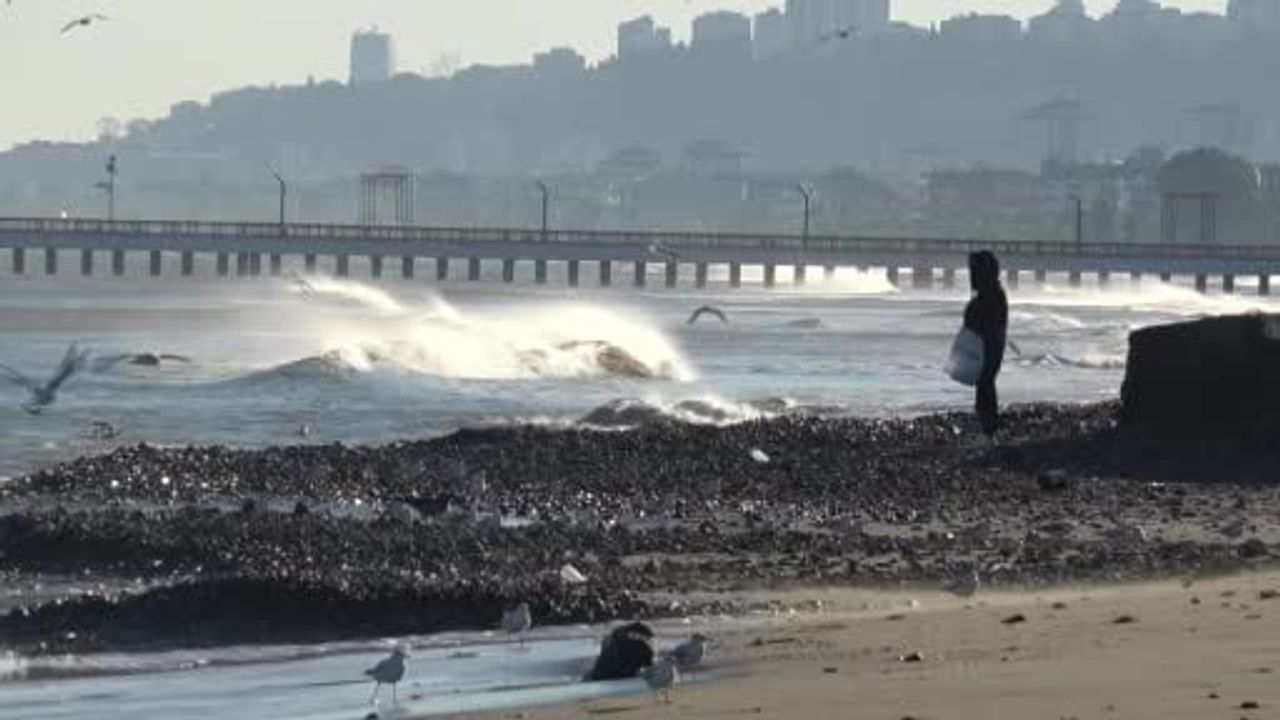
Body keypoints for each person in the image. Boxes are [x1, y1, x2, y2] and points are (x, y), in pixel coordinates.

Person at [963, 251, 1008, 439]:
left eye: (974, 271)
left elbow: (987, 322)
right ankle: (987, 426)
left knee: (985, 384)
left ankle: (989, 428)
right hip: (989, 344)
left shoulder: (992, 295)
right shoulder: (992, 293)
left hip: (989, 345)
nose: (971, 276)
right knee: (984, 384)